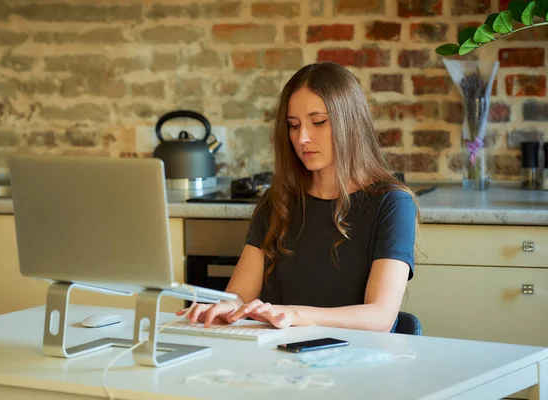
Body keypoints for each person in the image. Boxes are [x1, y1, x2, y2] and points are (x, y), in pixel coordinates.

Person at [178, 61, 419, 333]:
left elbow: (380, 316)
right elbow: (240, 295)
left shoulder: (392, 205)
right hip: (278, 361)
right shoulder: (277, 201)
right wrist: (225, 307)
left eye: (318, 122)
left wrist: (294, 314)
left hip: (356, 359)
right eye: (293, 126)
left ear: (350, 123)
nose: (302, 137)